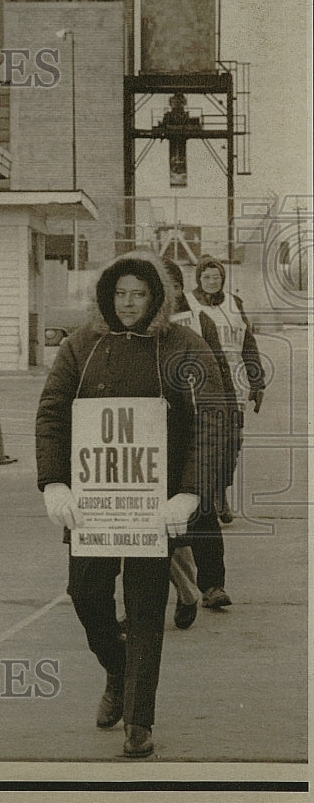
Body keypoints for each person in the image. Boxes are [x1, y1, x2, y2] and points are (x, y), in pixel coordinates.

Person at [36, 251, 224, 758]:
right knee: (85, 594)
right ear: (106, 295)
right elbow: (53, 412)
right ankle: (117, 671)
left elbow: (213, 419)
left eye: (139, 294)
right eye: (120, 294)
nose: (128, 304)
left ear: (157, 297)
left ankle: (139, 722)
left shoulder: (184, 346)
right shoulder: (82, 346)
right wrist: (54, 482)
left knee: (145, 611)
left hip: (156, 508)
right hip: (93, 506)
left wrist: (192, 490)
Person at [163, 258, 240, 613]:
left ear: (178, 288)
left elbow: (220, 372)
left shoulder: (199, 322)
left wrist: (227, 419)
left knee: (202, 510)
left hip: (195, 432)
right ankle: (182, 591)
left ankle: (212, 585)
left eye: (168, 285)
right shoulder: (128, 325)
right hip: (152, 436)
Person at [186, 255, 265, 523]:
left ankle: (220, 493)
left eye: (216, 277)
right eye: (206, 277)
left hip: (235, 383)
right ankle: (206, 497)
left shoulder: (234, 303)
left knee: (232, 442)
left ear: (223, 279)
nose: (211, 282)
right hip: (202, 384)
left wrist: (257, 381)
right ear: (198, 279)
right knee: (206, 441)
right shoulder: (187, 303)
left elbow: (249, 344)